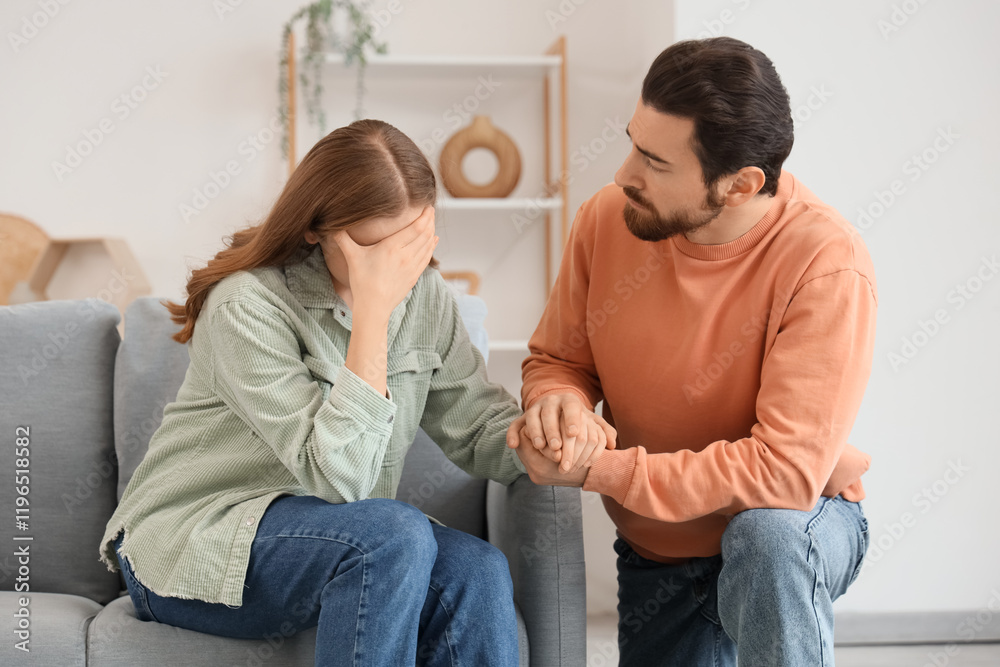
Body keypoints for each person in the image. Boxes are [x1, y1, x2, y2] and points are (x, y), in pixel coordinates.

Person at [98, 119, 542, 666]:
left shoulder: (426, 299)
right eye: (373, 249)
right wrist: (373, 315)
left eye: (408, 245)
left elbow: (476, 428)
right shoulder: (246, 305)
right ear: (315, 229)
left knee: (477, 570)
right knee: (390, 533)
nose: (396, 269)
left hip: (334, 545)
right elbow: (341, 480)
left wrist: (551, 440)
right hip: (194, 544)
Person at [507, 37, 875, 666]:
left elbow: (783, 476)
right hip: (662, 553)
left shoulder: (825, 262)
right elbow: (560, 360)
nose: (625, 173)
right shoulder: (606, 219)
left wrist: (599, 471)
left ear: (739, 185)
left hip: (792, 523)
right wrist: (558, 406)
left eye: (654, 161)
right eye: (632, 142)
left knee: (768, 537)